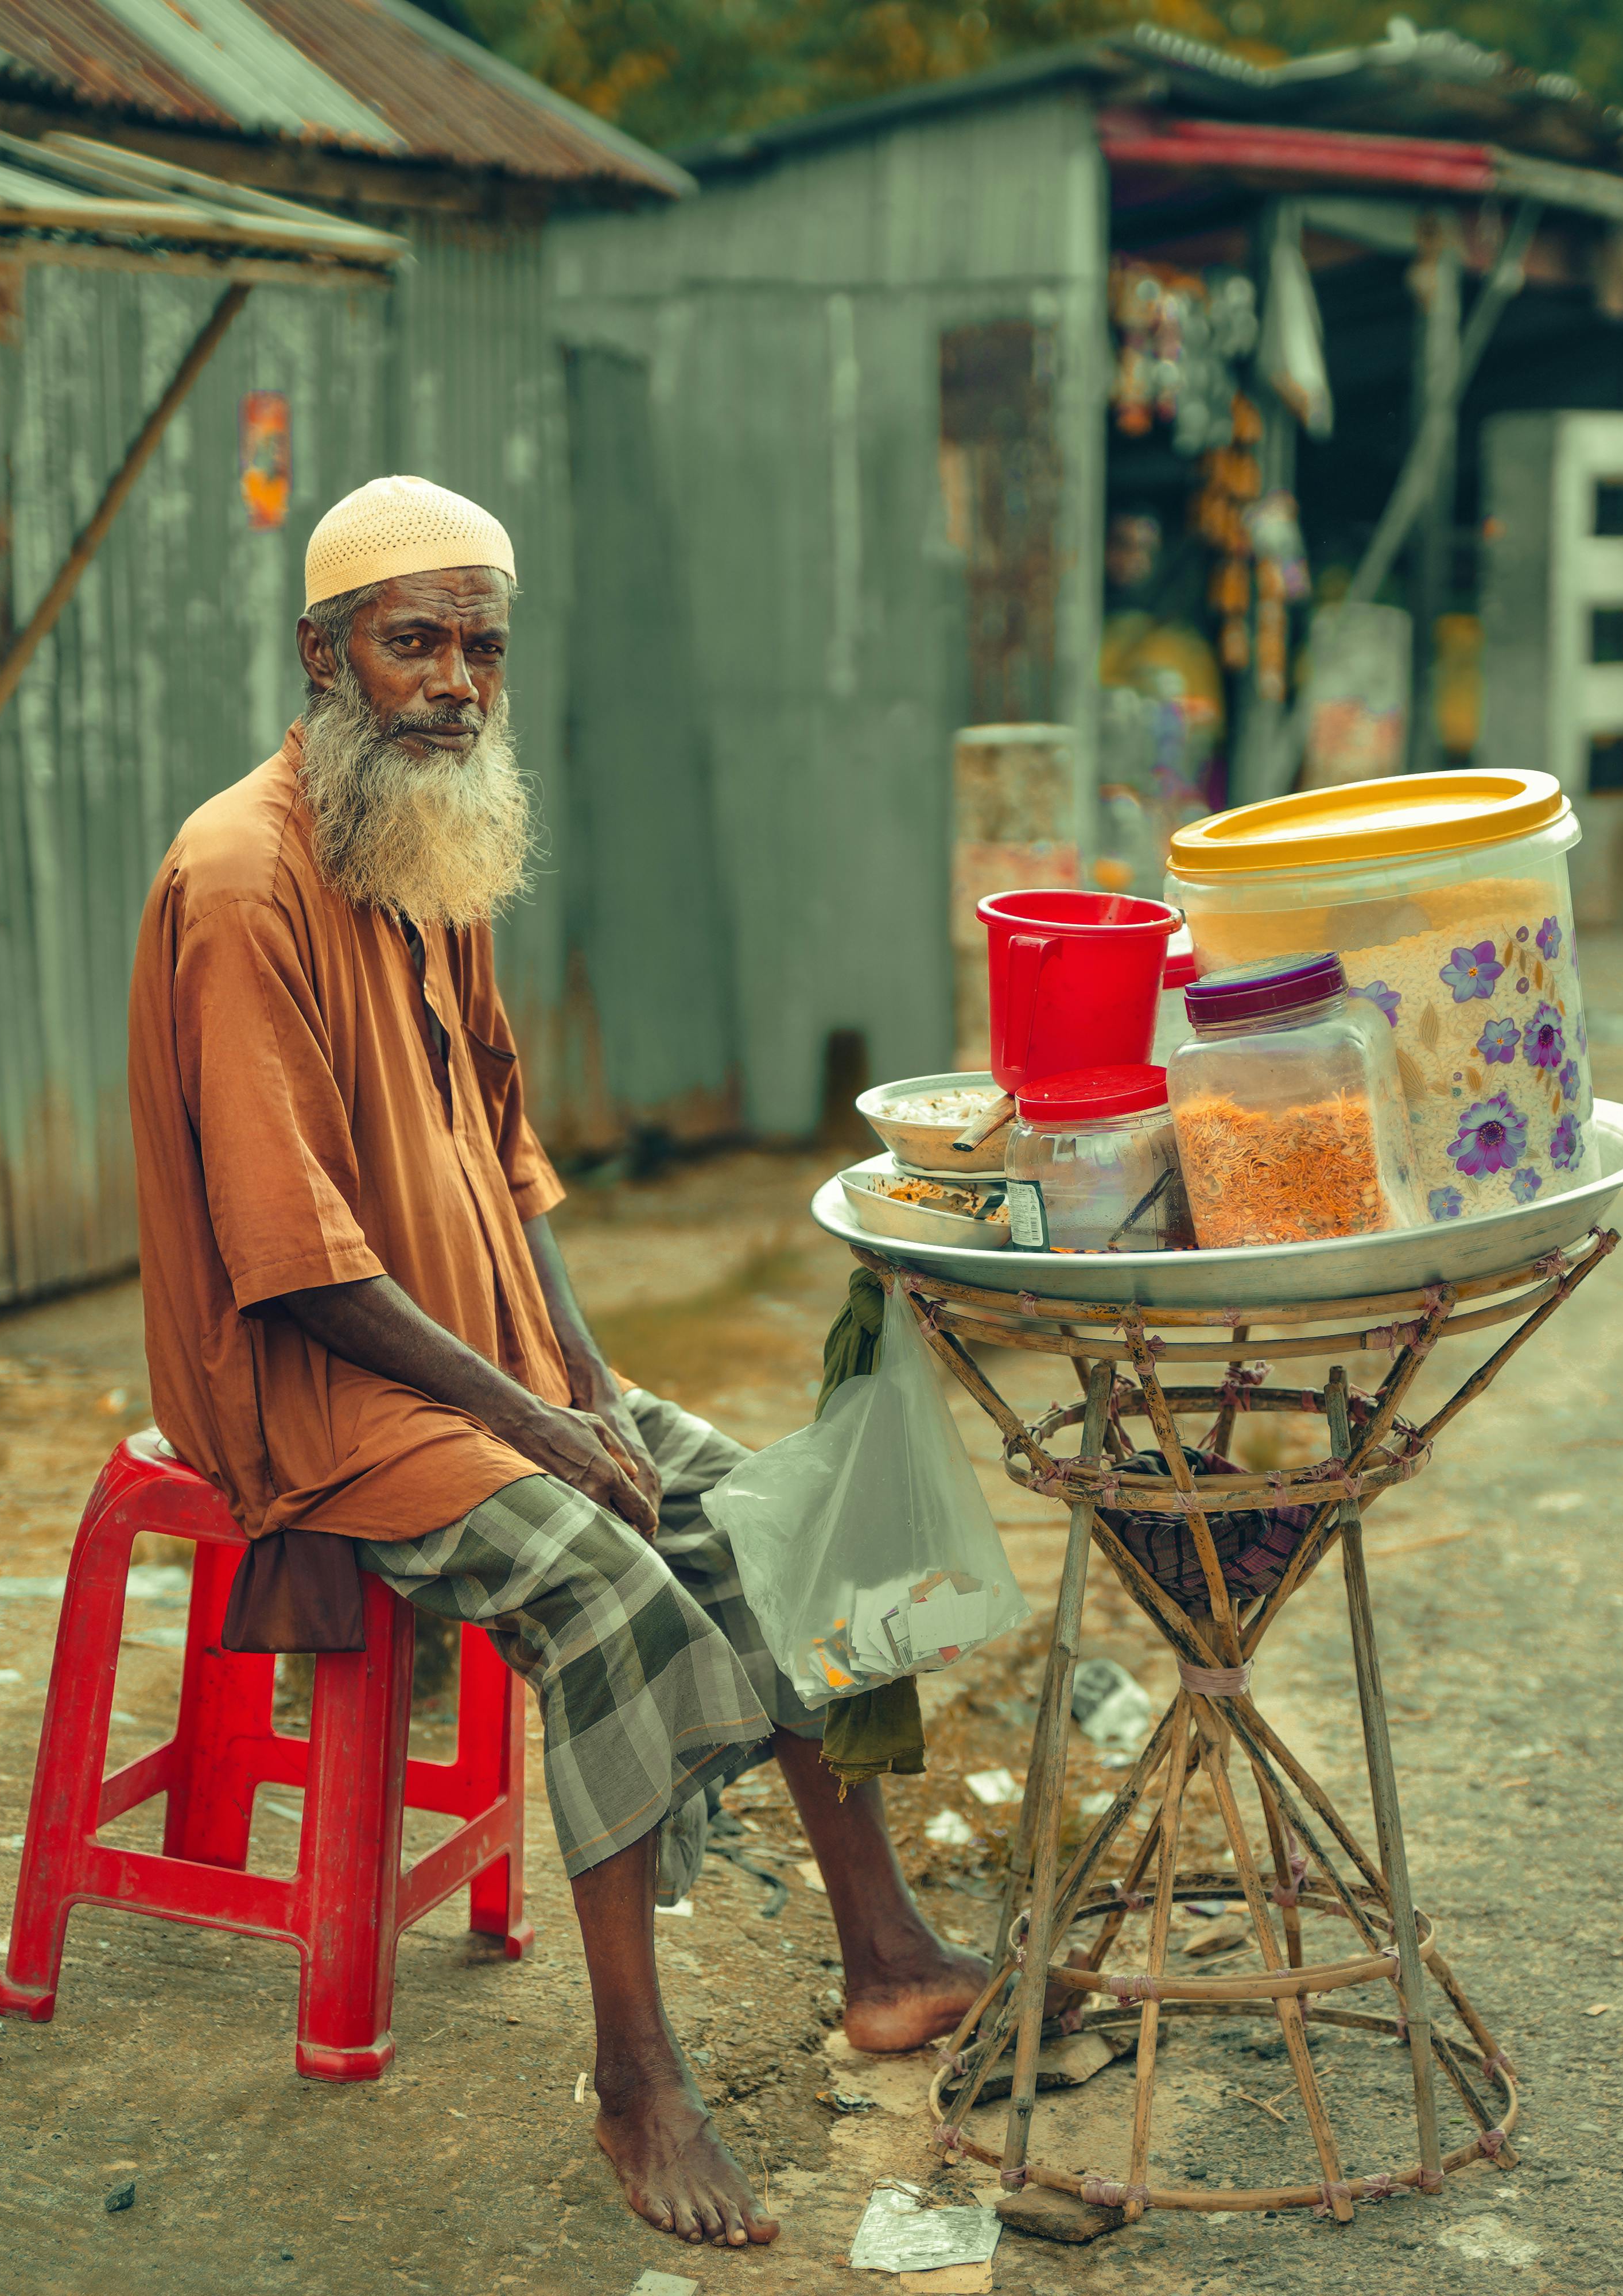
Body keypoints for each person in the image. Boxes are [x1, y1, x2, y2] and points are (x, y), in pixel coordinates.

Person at [126, 476, 987, 2250]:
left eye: (480, 649)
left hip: (489, 1362)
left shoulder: (433, 836)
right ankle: (633, 2079)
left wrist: (582, 1380)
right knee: (608, 1593)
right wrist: (525, 1422)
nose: (451, 681)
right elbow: (290, 1268)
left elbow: (506, 1164)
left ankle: (887, 1953)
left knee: (788, 1523)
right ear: (323, 654)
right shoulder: (240, 877)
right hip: (329, 1401)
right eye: (412, 640)